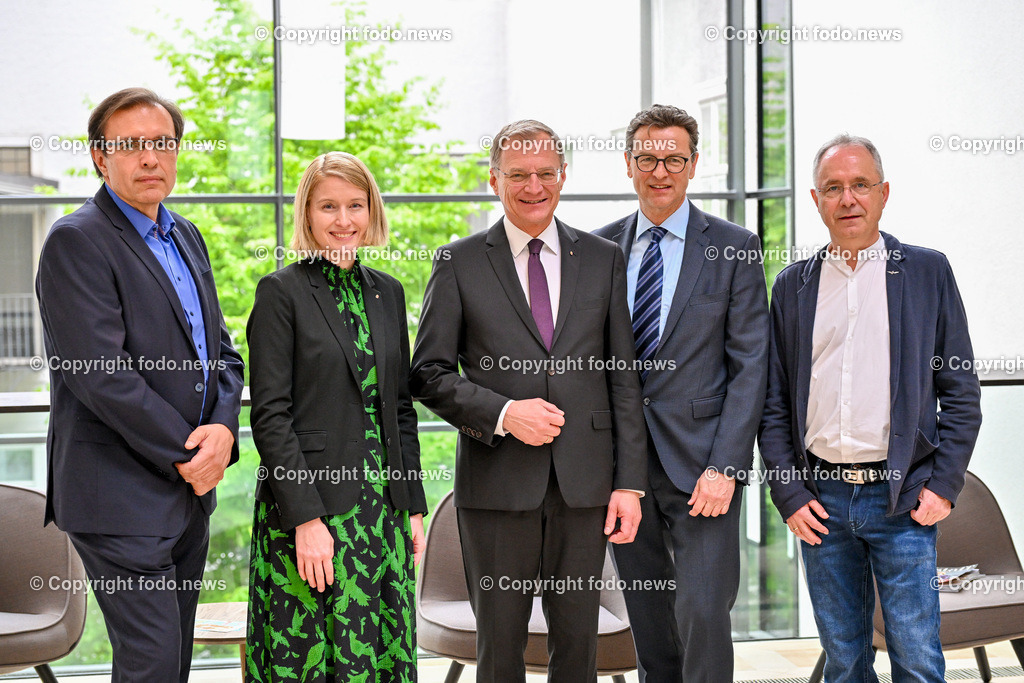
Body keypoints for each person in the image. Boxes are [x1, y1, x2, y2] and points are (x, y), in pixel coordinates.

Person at [410, 119, 647, 683]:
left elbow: (624, 378)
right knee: (499, 651)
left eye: (545, 173)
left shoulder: (604, 257)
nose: (533, 186)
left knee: (578, 648)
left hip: (585, 486)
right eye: (518, 175)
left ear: (563, 176)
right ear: (495, 180)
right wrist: (503, 413)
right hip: (496, 486)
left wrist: (629, 484)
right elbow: (427, 374)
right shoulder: (459, 262)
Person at [35, 87, 245, 682]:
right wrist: (190, 454)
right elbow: (101, 376)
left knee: (170, 662)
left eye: (162, 143)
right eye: (131, 145)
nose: (150, 158)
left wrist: (223, 432)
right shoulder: (77, 240)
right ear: (100, 157)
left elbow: (223, 355)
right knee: (152, 662)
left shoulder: (186, 235)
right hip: (118, 493)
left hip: (188, 492)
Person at [758, 134, 982, 682]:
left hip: (902, 498)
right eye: (833, 188)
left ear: (884, 193)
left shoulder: (927, 273)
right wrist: (788, 493)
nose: (848, 199)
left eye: (860, 184)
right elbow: (773, 404)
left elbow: (960, 391)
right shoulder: (792, 286)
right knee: (844, 662)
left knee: (918, 660)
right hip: (821, 501)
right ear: (816, 201)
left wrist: (943, 485)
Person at [594, 104, 769, 682]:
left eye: (673, 158)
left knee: (703, 611)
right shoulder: (598, 249)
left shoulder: (734, 247)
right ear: (629, 165)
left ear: (693, 165)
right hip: (624, 469)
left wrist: (727, 466)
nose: (660, 171)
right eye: (647, 158)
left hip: (703, 467)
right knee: (649, 619)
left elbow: (751, 367)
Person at [245, 152, 427, 681]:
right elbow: (270, 416)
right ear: (307, 212)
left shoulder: (388, 291)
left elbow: (399, 407)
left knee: (379, 652)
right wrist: (306, 520)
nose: (343, 219)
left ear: (372, 210)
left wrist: (412, 505)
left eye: (355, 205)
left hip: (383, 512)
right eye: (328, 206)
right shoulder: (280, 292)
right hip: (311, 510)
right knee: (309, 657)